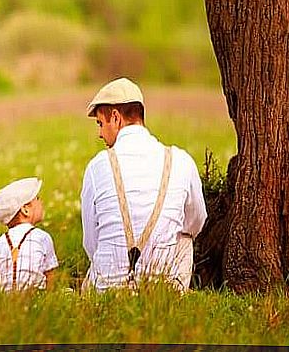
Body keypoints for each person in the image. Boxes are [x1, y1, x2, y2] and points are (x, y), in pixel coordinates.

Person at [80, 77, 207, 292]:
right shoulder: (180, 160)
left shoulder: (97, 166)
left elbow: (91, 242)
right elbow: (197, 221)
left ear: (115, 117)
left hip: (107, 291)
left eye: (100, 123)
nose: (100, 133)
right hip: (162, 290)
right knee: (184, 236)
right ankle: (173, 291)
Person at [0, 177, 59, 291]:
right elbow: (51, 277)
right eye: (37, 198)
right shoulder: (42, 237)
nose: (41, 201)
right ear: (25, 210)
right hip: (36, 298)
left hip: (4, 301)